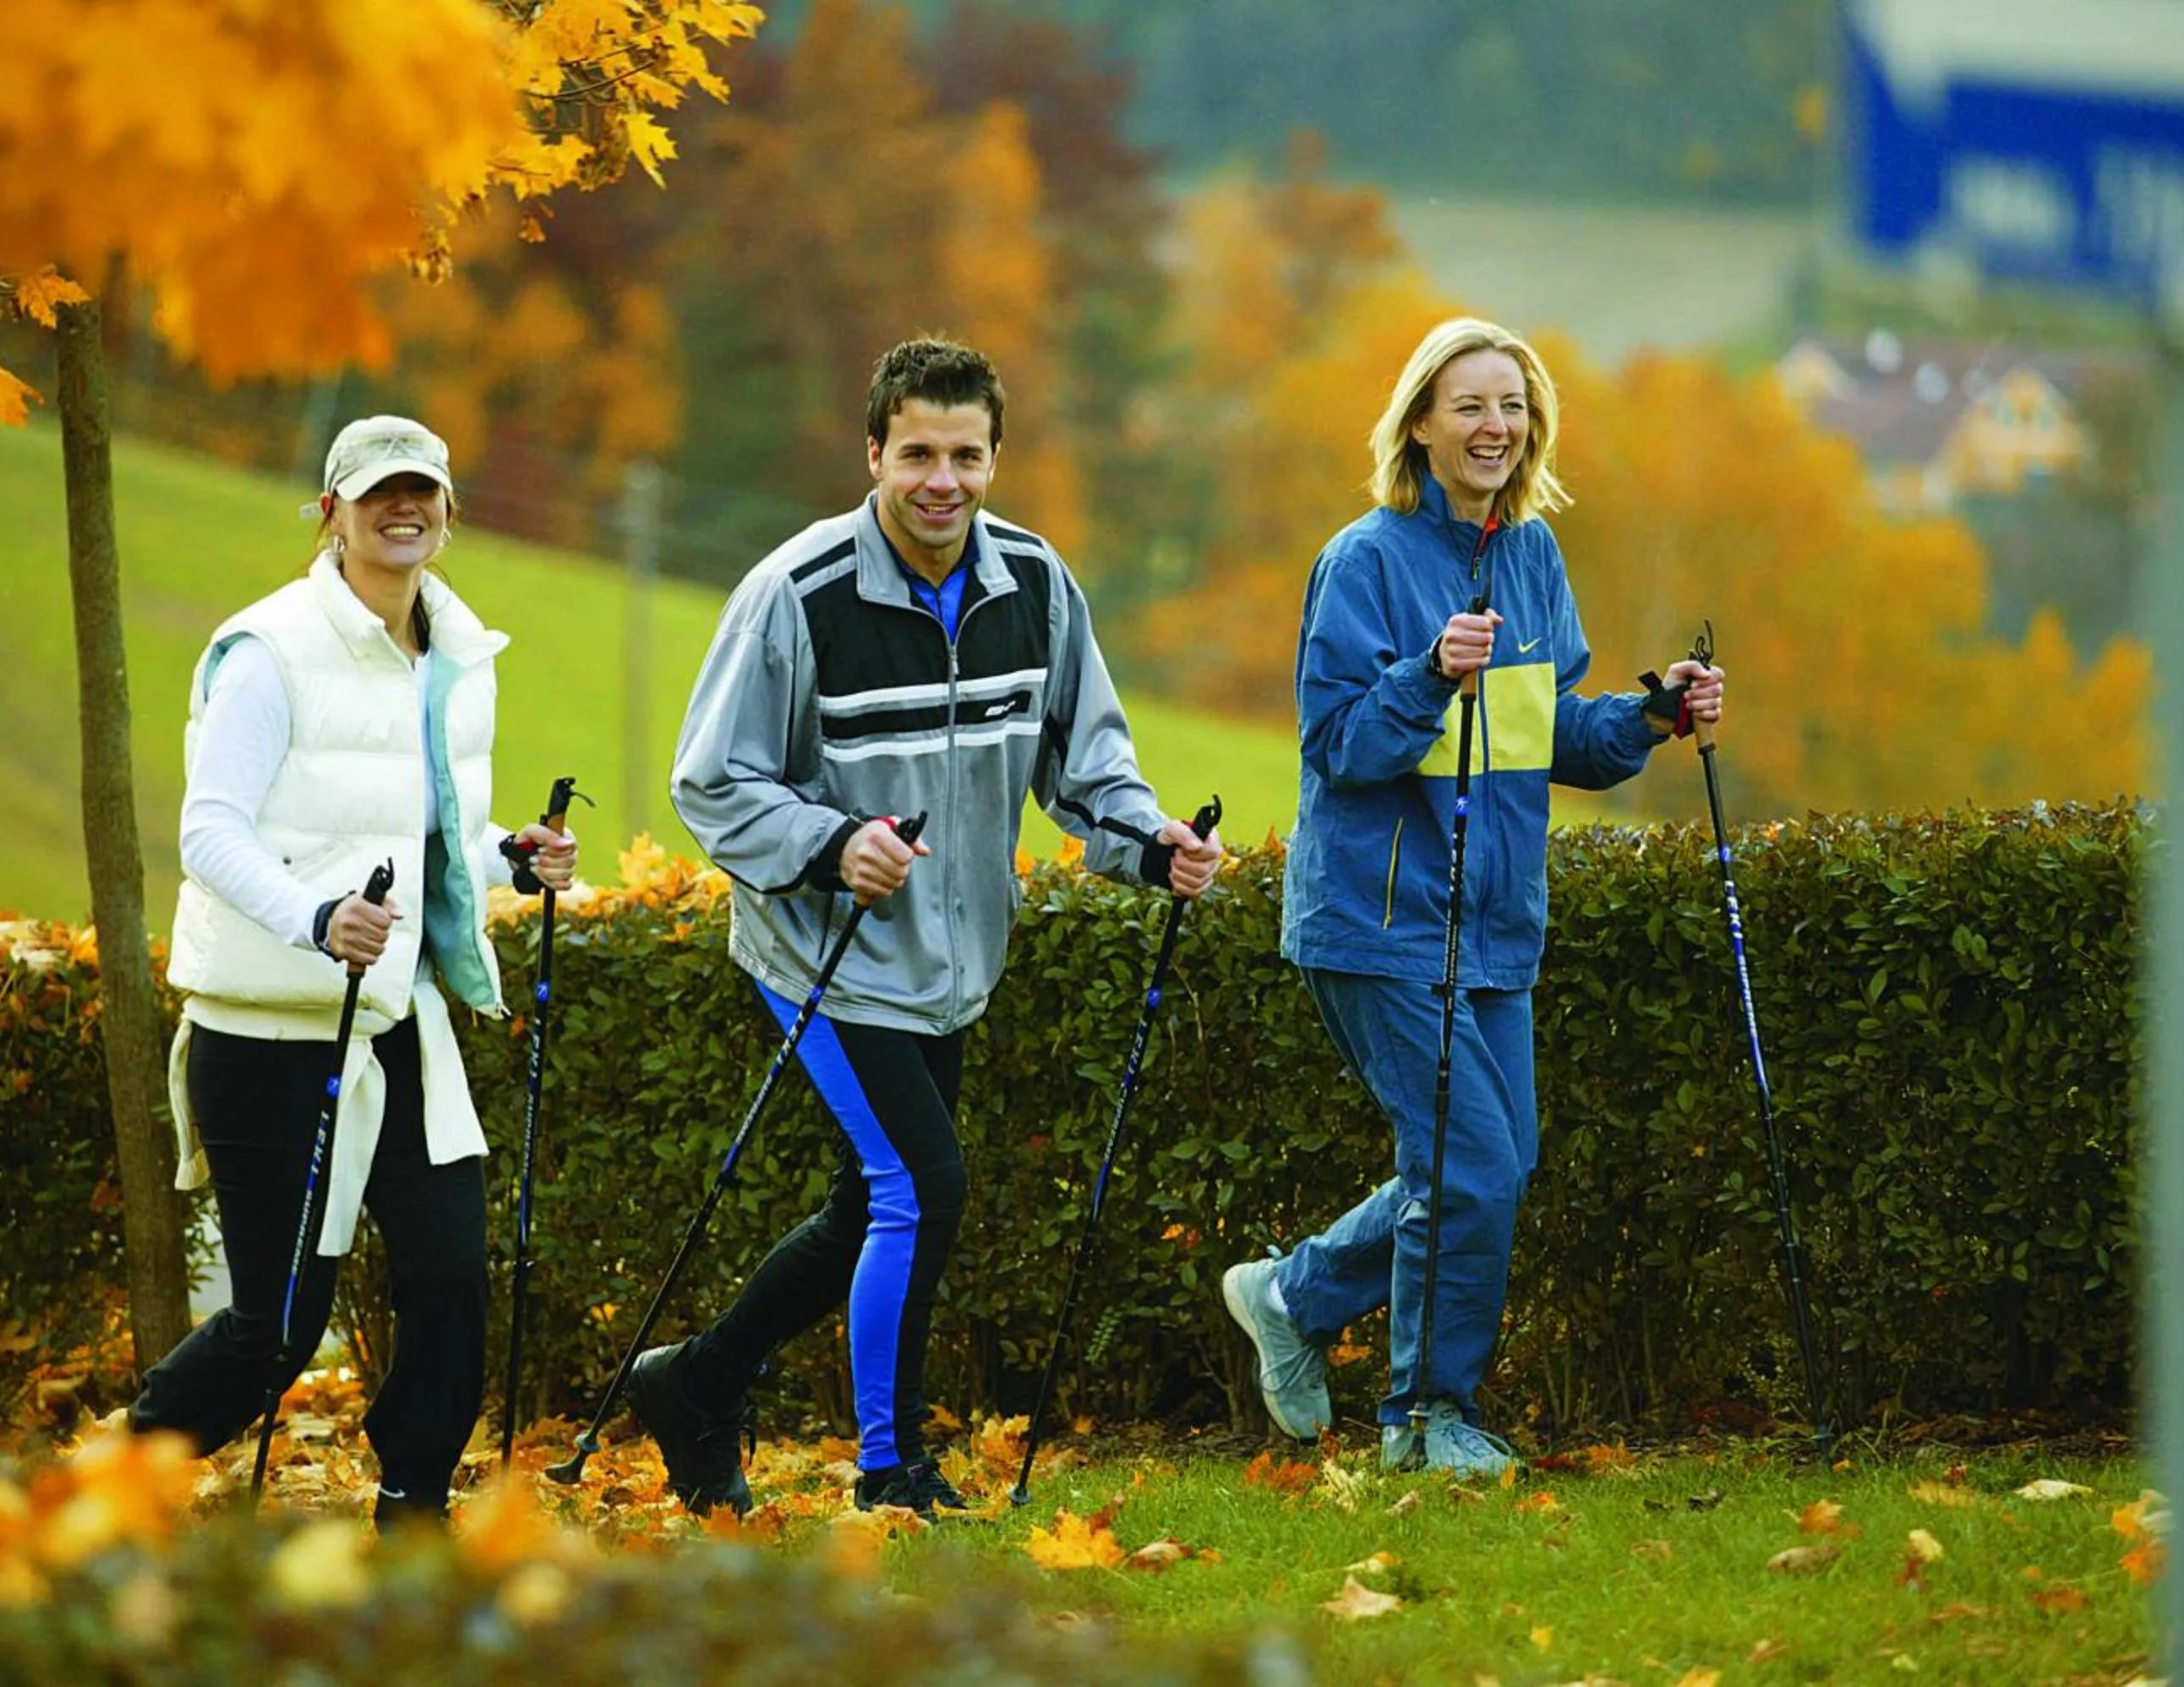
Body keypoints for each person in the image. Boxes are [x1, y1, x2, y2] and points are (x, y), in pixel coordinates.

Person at [635, 337, 1223, 1519]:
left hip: (955, 963)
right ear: (875, 454)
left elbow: (1086, 762)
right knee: (922, 1187)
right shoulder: (795, 595)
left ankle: (696, 1382)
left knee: (873, 1200)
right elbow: (711, 781)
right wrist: (829, 844)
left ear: (995, 458)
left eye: (965, 455)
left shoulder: (1036, 586)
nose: (941, 480)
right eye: (917, 454)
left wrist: (1153, 844)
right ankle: (890, 1470)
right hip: (824, 955)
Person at [1220, 318, 1724, 1477]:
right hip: (1379, 922)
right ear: (1419, 427)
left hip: (1494, 928)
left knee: (1491, 1161)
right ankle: (1425, 1419)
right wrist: (1429, 672)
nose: (1496, 426)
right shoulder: (1364, 561)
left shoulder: (1533, 555)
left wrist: (1654, 713)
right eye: (1470, 406)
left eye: (1513, 405)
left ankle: (1292, 1297)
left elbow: (1556, 737)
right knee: (1472, 1166)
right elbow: (1340, 746)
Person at [128, 415, 578, 1526]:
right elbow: (209, 832)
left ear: (449, 511)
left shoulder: (457, 656)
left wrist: (511, 858)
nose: (402, 509)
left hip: (399, 1017)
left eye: (421, 490)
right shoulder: (266, 650)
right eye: (378, 493)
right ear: (332, 513)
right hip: (267, 1029)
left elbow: (424, 843)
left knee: (452, 1276)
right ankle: (108, 1486)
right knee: (277, 1327)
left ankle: (414, 1506)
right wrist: (315, 917)